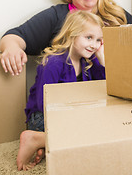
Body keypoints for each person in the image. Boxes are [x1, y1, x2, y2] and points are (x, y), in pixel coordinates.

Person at [0, 0, 132, 76]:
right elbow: (14, 36)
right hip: (71, 95)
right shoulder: (57, 16)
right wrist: (12, 48)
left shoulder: (116, 14)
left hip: (116, 87)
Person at [16, 10, 106, 170]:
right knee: (86, 135)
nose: (94, 45)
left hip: (69, 115)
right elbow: (43, 102)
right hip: (44, 117)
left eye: (99, 40)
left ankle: (44, 143)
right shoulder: (54, 62)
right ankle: (35, 138)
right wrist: (71, 118)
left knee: (97, 128)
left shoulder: (89, 60)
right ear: (72, 35)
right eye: (89, 38)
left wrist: (102, 60)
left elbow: (103, 88)